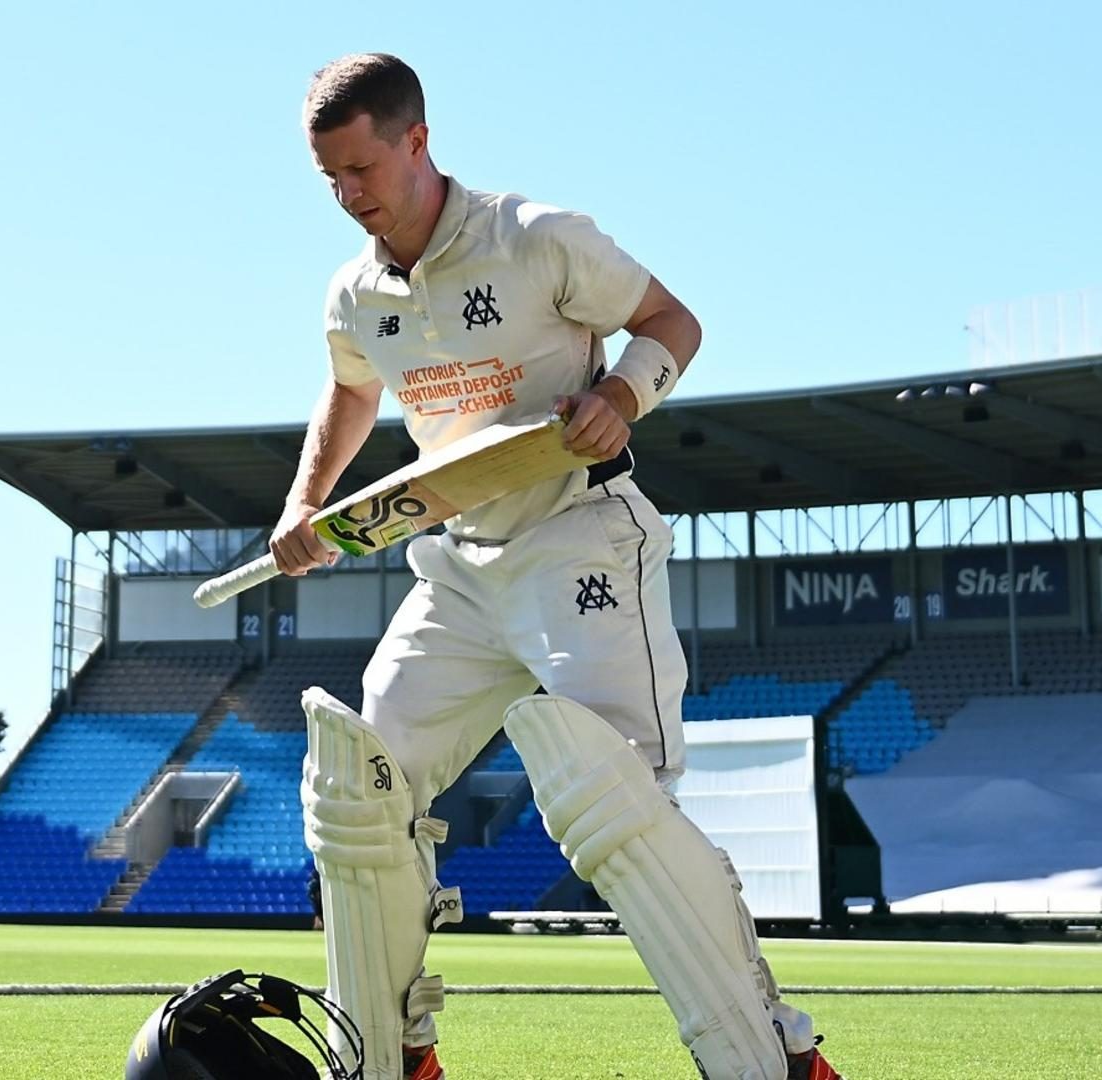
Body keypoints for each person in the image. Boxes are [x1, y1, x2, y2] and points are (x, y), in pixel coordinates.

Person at [279, 53, 842, 1080]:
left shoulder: (535, 237)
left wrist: (619, 399)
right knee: (365, 787)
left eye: (363, 168)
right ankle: (391, 1056)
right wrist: (305, 502)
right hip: (457, 561)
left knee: (615, 801)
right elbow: (351, 389)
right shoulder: (355, 293)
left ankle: (775, 1062)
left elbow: (673, 322)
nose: (350, 196)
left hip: (579, 538)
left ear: (417, 140)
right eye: (331, 180)